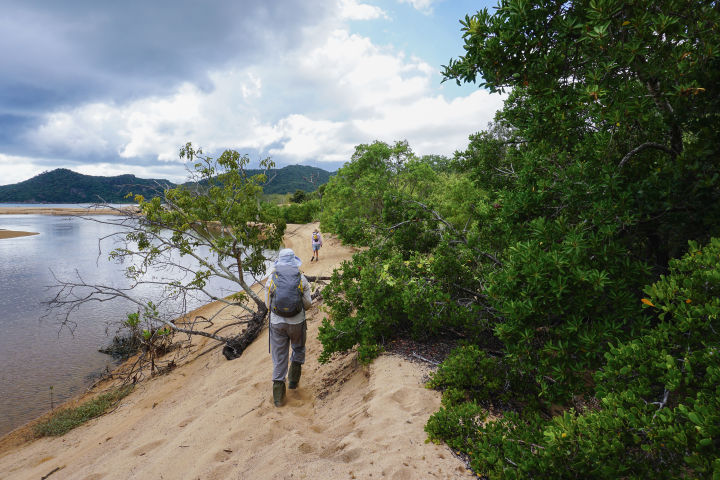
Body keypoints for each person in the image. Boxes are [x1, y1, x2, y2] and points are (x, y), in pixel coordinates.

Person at [265, 248, 312, 407]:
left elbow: (268, 305)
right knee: (298, 348)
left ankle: (278, 398)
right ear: (294, 262)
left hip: (277, 324)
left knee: (279, 357)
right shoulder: (302, 279)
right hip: (297, 322)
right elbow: (308, 304)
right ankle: (293, 382)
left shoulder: (271, 279)